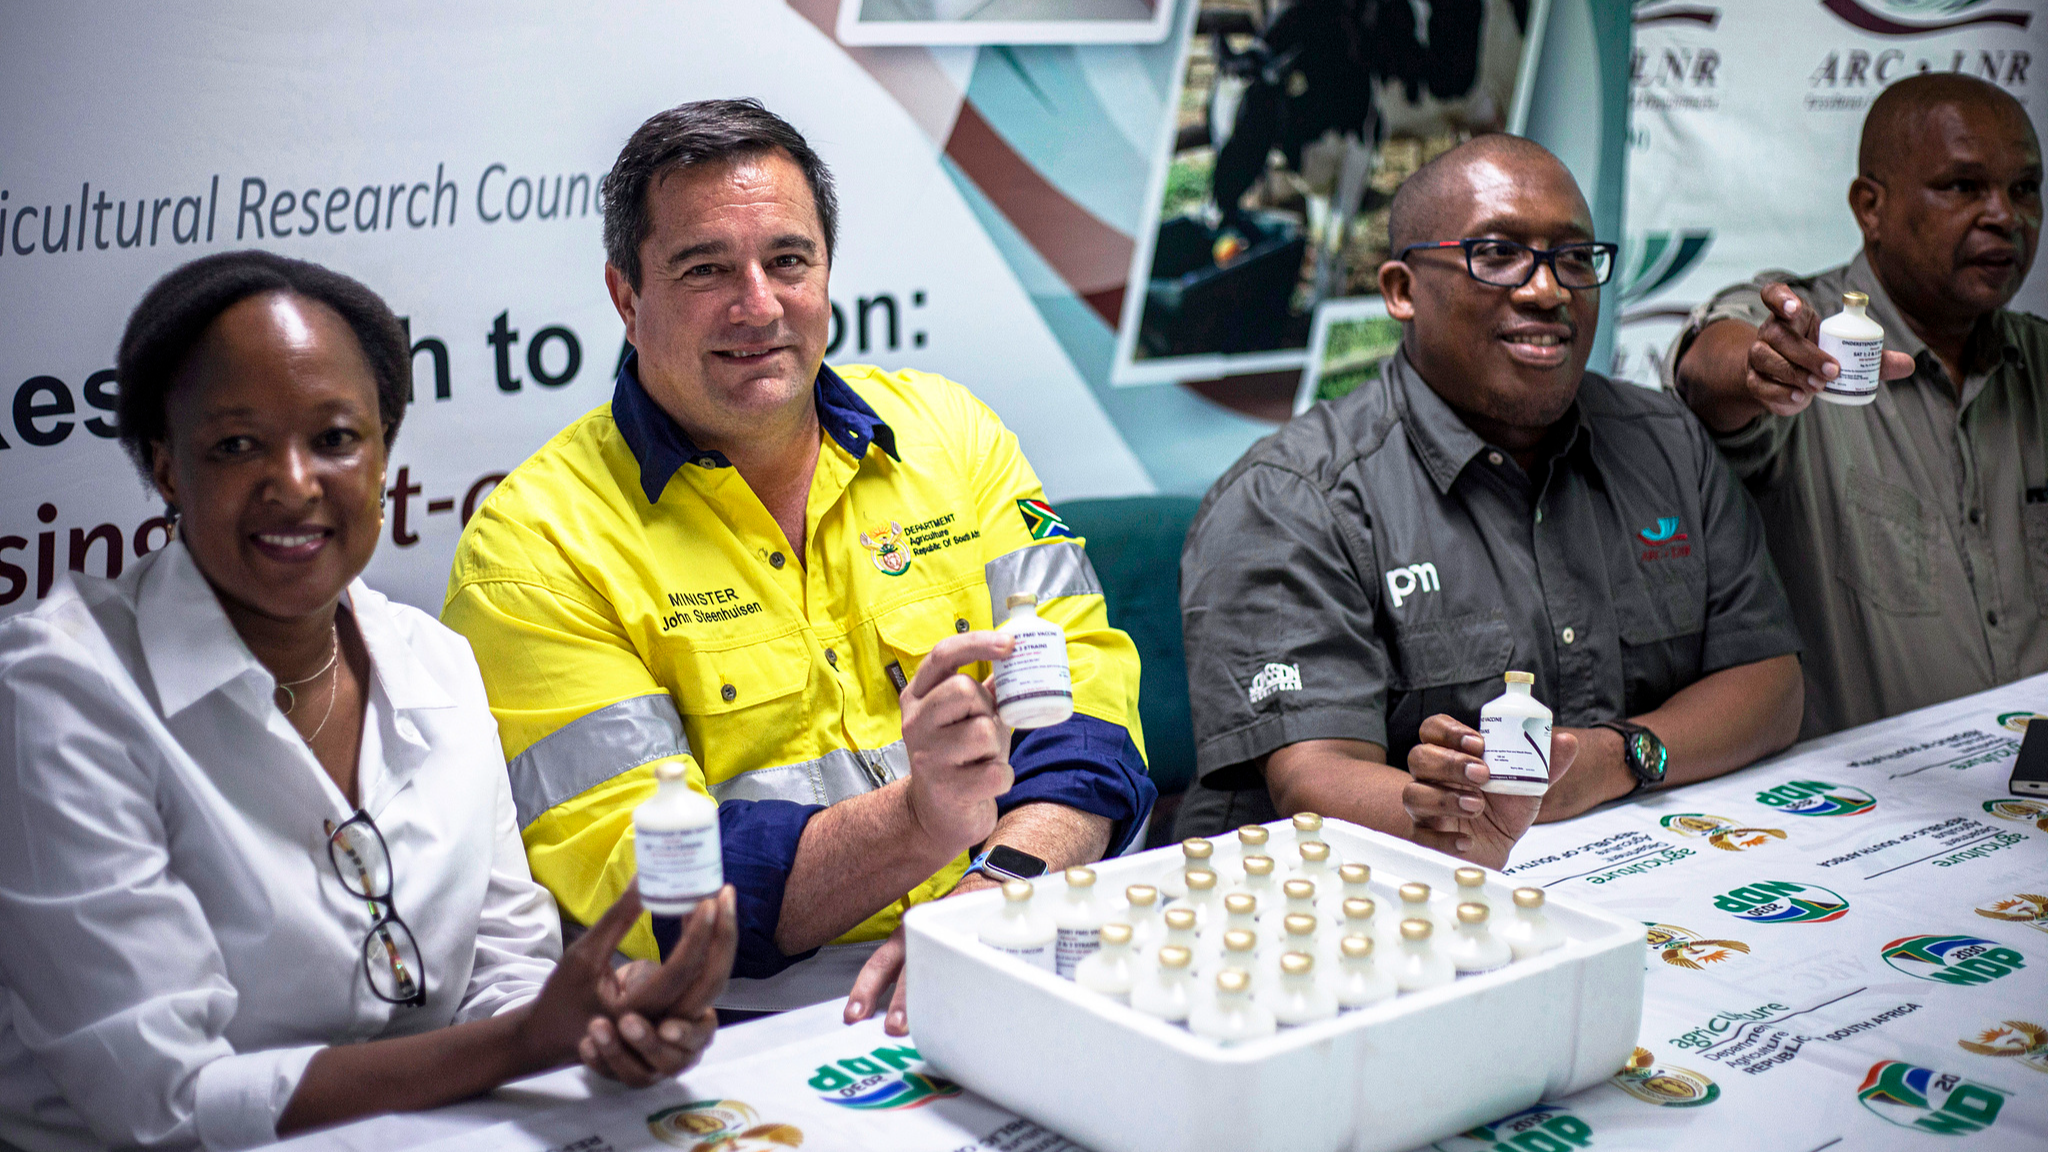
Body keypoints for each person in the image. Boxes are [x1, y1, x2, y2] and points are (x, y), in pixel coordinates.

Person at [440, 100, 1152, 1035]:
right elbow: (654, 887)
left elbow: (1090, 705)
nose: (759, 305)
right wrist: (921, 821)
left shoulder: (955, 436)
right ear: (626, 298)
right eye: (705, 269)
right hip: (743, 1021)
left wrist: (994, 889)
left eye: (788, 261)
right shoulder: (532, 547)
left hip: (1010, 920)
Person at [0, 251, 735, 1151]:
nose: (294, 482)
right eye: (236, 446)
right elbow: (166, 1101)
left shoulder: (438, 665)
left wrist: (602, 1024)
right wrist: (522, 1043)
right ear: (167, 467)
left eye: (336, 439)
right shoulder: (62, 691)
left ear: (384, 455)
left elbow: (504, 972)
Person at [1174, 135, 1805, 866]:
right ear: (1402, 291)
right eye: (1498, 254)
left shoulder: (1667, 443)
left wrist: (1617, 757)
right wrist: (1475, 822)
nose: (1548, 291)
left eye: (1575, 258)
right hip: (1364, 892)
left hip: (1621, 866)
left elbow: (1771, 685)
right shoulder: (1292, 497)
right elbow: (1315, 778)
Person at [1666, 73, 2045, 738]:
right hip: (1864, 799)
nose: (2005, 216)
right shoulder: (1815, 342)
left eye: (2025, 188)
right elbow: (1710, 361)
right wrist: (1763, 367)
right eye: (1963, 186)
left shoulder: (2039, 359)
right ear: (1871, 207)